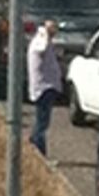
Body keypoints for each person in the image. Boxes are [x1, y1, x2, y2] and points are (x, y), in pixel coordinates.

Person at [27, 20, 62, 156]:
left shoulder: (45, 42)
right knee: (42, 123)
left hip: (47, 87)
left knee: (42, 122)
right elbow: (42, 48)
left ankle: (32, 146)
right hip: (43, 88)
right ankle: (39, 152)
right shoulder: (40, 41)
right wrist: (47, 32)